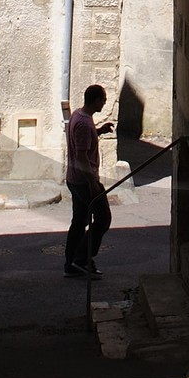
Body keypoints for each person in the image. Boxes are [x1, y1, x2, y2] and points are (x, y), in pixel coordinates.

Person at [63, 84, 114, 279]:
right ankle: (82, 258)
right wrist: (92, 183)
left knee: (79, 221)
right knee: (103, 219)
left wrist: (99, 131)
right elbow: (82, 156)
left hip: (75, 179)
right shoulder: (84, 123)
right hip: (84, 181)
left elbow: (82, 142)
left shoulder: (79, 116)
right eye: (103, 99)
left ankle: (71, 264)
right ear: (95, 100)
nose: (105, 102)